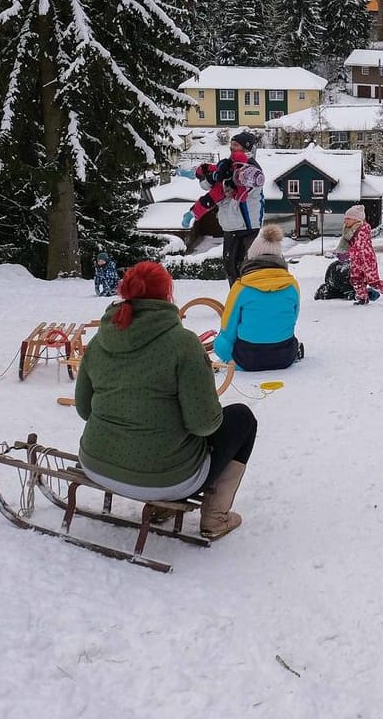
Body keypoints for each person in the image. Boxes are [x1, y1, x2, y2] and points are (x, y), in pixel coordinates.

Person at [74, 261, 258, 538]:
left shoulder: (101, 339)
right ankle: (215, 517)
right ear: (167, 295)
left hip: (96, 464)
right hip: (167, 479)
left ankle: (167, 506)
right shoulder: (182, 344)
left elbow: (84, 409)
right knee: (242, 418)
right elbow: (204, 425)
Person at [213, 224, 303, 371]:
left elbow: (228, 329)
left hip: (248, 358)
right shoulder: (292, 285)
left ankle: (234, 363)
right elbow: (293, 318)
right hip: (285, 356)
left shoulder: (241, 287)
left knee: (220, 343)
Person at [199, 131, 265, 286]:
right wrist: (207, 175)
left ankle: (251, 297)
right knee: (230, 265)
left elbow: (235, 188)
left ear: (245, 147)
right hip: (230, 224)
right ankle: (236, 297)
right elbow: (208, 185)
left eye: (235, 145)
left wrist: (221, 180)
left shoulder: (251, 169)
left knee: (248, 265)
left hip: (248, 225)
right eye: (231, 144)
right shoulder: (227, 165)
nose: (231, 148)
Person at [342, 204, 383, 304]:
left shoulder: (363, 230)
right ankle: (362, 297)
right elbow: (347, 244)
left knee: (373, 282)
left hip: (367, 260)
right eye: (345, 219)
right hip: (356, 260)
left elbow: (359, 247)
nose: (345, 221)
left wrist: (347, 253)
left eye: (348, 219)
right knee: (356, 280)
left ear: (356, 220)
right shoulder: (349, 231)